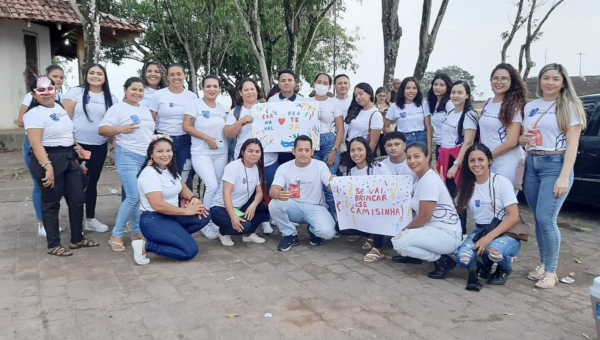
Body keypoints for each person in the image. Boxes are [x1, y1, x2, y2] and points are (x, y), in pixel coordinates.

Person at [519, 63, 586, 289]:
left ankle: (551, 271)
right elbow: (521, 139)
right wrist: (523, 138)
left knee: (547, 219)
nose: (550, 82)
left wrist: (564, 176)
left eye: (555, 79)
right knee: (538, 218)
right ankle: (542, 263)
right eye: (546, 77)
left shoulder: (569, 106)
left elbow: (573, 144)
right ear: (540, 81)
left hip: (555, 165)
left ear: (563, 82)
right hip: (532, 163)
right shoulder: (530, 107)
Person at [24, 76, 99, 256]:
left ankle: (77, 238)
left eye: (50, 88)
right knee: (51, 202)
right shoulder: (33, 114)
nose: (47, 93)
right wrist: (48, 167)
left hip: (68, 156)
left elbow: (68, 131)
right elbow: (36, 145)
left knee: (77, 198)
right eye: (41, 90)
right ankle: (53, 244)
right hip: (48, 158)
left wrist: (77, 146)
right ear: (34, 94)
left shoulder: (59, 106)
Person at [134, 135, 211, 265]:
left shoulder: (169, 169)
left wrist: (194, 199)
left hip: (172, 216)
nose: (165, 154)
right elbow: (157, 205)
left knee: (203, 215)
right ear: (151, 154)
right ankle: (146, 246)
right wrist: (186, 211)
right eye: (160, 151)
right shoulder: (149, 173)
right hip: (154, 219)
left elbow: (182, 187)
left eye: (168, 150)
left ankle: (174, 238)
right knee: (190, 251)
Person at [99, 77, 156, 251]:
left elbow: (146, 134)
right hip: (127, 156)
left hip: (145, 158)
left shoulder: (145, 110)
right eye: (134, 89)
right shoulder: (117, 109)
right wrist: (121, 130)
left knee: (139, 196)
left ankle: (137, 231)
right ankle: (116, 234)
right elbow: (102, 130)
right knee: (132, 196)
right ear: (125, 90)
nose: (137, 93)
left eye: (140, 90)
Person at [455, 144, 521, 291]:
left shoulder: (501, 182)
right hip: (480, 229)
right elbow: (455, 210)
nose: (476, 164)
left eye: (481, 160)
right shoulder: (466, 185)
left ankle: (504, 269)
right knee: (463, 259)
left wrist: (488, 238)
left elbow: (514, 216)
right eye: (472, 161)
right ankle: (485, 264)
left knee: (494, 251)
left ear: (489, 161)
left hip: (505, 230)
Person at [391, 142, 462, 280]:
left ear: (427, 157)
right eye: (409, 157)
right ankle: (414, 256)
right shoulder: (421, 178)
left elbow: (424, 216)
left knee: (400, 242)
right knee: (400, 238)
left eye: (417, 156)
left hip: (447, 234)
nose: (412, 161)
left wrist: (404, 230)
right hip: (434, 229)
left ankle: (441, 260)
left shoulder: (429, 180)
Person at [64, 63, 118, 233]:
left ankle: (90, 219)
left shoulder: (112, 98)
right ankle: (76, 222)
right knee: (74, 183)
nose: (95, 76)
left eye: (99, 73)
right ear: (86, 75)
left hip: (99, 146)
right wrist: (74, 143)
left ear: (105, 77)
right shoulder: (75, 93)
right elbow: (65, 119)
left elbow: (114, 125)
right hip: (76, 146)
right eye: (92, 73)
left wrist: (113, 146)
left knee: (92, 182)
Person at [17, 65, 65, 237]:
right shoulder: (31, 97)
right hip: (34, 143)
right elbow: (20, 121)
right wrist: (38, 118)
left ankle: (50, 221)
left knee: (54, 184)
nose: (58, 80)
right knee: (40, 183)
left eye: (60, 77)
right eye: (54, 76)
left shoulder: (59, 98)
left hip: (56, 147)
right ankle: (42, 223)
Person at [223, 78, 274, 234]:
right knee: (245, 190)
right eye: (246, 89)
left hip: (269, 158)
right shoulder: (236, 112)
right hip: (245, 160)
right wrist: (242, 122)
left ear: (257, 91)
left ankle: (266, 220)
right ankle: (238, 219)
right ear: (240, 93)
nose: (250, 92)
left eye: (252, 89)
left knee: (267, 190)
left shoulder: (268, 108)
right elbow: (228, 133)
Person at [269, 135, 337, 251]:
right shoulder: (284, 167)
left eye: (307, 150)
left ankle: (313, 230)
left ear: (312, 152)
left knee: (328, 233)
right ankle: (290, 235)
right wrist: (277, 194)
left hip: (316, 207)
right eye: (300, 150)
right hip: (293, 206)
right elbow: (273, 189)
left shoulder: (320, 165)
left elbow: (329, 183)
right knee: (274, 204)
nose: (303, 153)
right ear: (293, 151)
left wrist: (335, 182)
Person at [183, 75, 228, 239]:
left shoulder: (221, 107)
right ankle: (205, 221)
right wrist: (207, 138)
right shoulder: (195, 105)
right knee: (211, 185)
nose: (212, 89)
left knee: (218, 188)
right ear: (203, 88)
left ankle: (215, 219)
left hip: (220, 153)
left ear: (219, 89)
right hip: (201, 153)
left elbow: (224, 132)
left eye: (215, 86)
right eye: (208, 86)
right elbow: (186, 126)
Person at [337, 137, 392, 263]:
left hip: (380, 210)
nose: (356, 153)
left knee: (376, 216)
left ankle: (378, 248)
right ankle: (371, 235)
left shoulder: (378, 167)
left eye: (360, 149)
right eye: (352, 150)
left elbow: (390, 188)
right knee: (340, 227)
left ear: (367, 150)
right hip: (362, 211)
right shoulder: (352, 172)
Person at [436, 81, 479, 235]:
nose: (456, 95)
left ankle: (461, 233)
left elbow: (468, 142)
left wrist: (456, 164)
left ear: (467, 95)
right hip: (444, 157)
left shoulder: (469, 115)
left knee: (458, 198)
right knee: (446, 196)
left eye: (460, 92)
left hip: (457, 159)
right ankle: (449, 230)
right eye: (453, 92)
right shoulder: (451, 113)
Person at [210, 139, 269, 246]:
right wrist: (233, 216)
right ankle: (222, 232)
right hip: (220, 208)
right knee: (246, 226)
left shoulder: (256, 168)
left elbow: (260, 192)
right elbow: (226, 194)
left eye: (257, 151)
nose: (254, 154)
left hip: (239, 208)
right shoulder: (233, 167)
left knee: (265, 205)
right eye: (250, 151)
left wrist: (253, 206)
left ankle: (248, 235)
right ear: (243, 152)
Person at [148, 64, 198, 189]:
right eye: (172, 74)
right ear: (167, 77)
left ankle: (186, 205)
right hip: (163, 140)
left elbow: (194, 122)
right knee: (163, 175)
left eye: (179, 74)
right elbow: (150, 120)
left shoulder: (192, 97)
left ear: (184, 76)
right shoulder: (159, 95)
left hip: (185, 140)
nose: (176, 77)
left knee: (185, 176)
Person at [479, 63, 527, 189]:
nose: (499, 82)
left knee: (504, 202)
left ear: (512, 81)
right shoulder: (488, 103)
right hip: (487, 160)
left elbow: (512, 142)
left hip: (508, 161)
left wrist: (488, 156)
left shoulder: (514, 106)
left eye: (504, 78)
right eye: (495, 78)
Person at [308, 73, 344, 218]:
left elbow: (341, 129)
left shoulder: (334, 102)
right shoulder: (306, 101)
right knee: (313, 183)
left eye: (325, 83)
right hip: (311, 144)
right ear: (314, 83)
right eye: (319, 81)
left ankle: (335, 218)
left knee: (328, 184)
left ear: (329, 86)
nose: (321, 85)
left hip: (330, 143)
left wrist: (334, 151)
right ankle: (316, 217)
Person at [268, 69, 306, 165]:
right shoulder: (271, 101)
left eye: (290, 80)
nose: (286, 83)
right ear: (279, 84)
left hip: (298, 150)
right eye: (283, 80)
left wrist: (315, 119)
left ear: (294, 83)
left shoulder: (303, 102)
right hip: (275, 150)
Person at [384, 77, 432, 152]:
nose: (411, 91)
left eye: (414, 88)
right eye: (408, 88)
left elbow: (428, 127)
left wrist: (429, 149)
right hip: (404, 140)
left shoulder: (423, 104)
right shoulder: (394, 106)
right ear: (402, 89)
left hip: (421, 139)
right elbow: (386, 127)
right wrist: (397, 138)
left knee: (421, 163)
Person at [344, 83, 383, 163]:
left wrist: (365, 159)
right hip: (351, 150)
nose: (358, 97)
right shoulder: (355, 111)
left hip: (363, 153)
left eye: (361, 94)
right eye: (356, 95)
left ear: (369, 94)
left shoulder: (375, 114)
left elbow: (373, 141)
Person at [426, 73, 454, 159]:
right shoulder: (434, 104)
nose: (437, 87)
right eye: (435, 84)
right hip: (439, 145)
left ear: (448, 87)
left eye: (442, 85)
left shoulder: (450, 104)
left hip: (450, 147)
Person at [375, 86, 390, 156]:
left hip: (386, 132)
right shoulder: (372, 106)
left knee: (385, 151)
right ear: (376, 96)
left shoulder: (390, 106)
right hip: (374, 130)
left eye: (384, 96)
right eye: (380, 96)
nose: (382, 98)